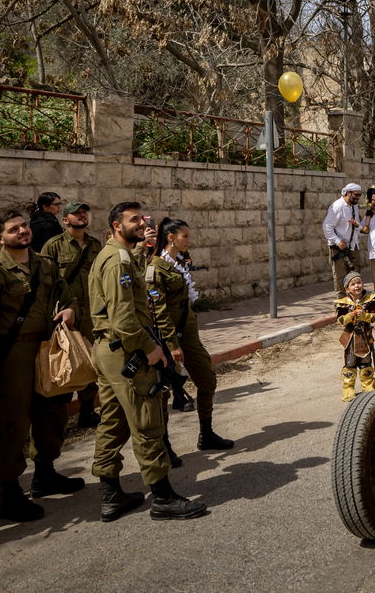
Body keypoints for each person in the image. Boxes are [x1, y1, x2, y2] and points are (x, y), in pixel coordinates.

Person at [89, 202, 207, 522]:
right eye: (133, 220)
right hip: (126, 350)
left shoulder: (122, 256)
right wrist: (148, 346)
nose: (141, 223)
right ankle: (163, 497)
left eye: (143, 217)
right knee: (147, 420)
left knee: (113, 422)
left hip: (110, 349)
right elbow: (124, 317)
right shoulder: (117, 261)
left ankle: (111, 494)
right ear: (116, 226)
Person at [0, 208, 82, 520]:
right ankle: (9, 493)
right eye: (14, 229)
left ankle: (45, 473)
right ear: (0, 238)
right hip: (11, 357)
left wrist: (71, 311)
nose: (22, 232)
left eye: (23, 226)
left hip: (46, 352)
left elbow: (67, 296)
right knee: (11, 424)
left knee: (53, 412)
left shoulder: (45, 264)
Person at [153, 217, 232, 451]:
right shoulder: (157, 266)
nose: (188, 240)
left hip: (188, 332)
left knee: (207, 380)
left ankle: (206, 434)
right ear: (170, 238)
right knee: (166, 391)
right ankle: (164, 445)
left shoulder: (179, 262)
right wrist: (171, 343)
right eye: (184, 236)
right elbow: (159, 310)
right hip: (169, 335)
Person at [40, 202, 104, 427]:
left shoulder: (95, 244)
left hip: (92, 314)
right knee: (66, 363)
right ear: (65, 220)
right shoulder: (53, 246)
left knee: (90, 362)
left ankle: (87, 413)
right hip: (67, 314)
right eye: (76, 213)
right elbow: (47, 281)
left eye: (84, 212)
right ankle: (58, 416)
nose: (82, 216)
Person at [335, 272, 375, 401]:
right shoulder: (343, 303)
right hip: (350, 338)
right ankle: (348, 388)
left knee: (366, 361)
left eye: (359, 282)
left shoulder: (370, 300)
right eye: (353, 284)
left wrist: (364, 316)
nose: (356, 286)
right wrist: (352, 315)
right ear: (347, 288)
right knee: (350, 362)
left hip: (364, 337)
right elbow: (340, 320)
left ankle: (368, 385)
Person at [323, 183, 364, 294]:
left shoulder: (354, 206)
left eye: (359, 195)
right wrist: (337, 241)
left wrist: (358, 226)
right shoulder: (337, 206)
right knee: (340, 277)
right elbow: (327, 226)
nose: (358, 197)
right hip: (338, 248)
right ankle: (341, 305)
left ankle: (354, 303)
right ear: (348, 193)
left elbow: (355, 225)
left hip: (352, 246)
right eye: (356, 195)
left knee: (355, 277)